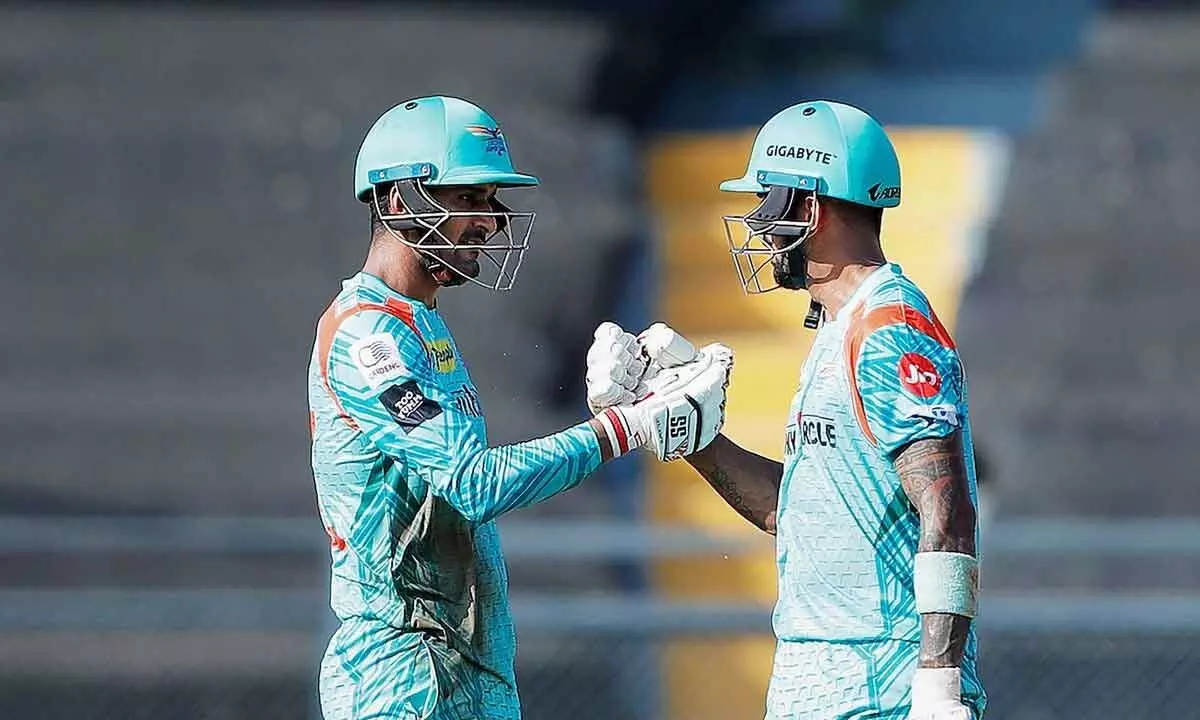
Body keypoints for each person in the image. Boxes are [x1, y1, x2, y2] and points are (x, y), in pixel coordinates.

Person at [307, 95, 732, 720]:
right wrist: (625, 427)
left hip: (460, 668)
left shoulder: (419, 324)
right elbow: (474, 486)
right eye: (471, 199)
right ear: (399, 201)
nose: (492, 220)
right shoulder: (368, 336)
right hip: (404, 680)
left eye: (491, 200)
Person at [588, 100, 986, 719]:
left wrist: (937, 684)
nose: (759, 226)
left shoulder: (888, 327)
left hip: (879, 684)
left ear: (809, 207)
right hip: (820, 679)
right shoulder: (839, 328)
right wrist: (683, 429)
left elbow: (947, 505)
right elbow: (790, 512)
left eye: (768, 202)